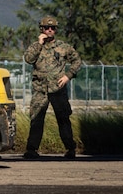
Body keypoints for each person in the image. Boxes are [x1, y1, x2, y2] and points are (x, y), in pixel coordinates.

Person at [22, 16, 82, 159]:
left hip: (58, 89)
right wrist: (39, 43)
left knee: (63, 119)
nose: (50, 30)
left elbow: (77, 61)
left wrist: (68, 76)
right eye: (47, 28)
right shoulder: (36, 46)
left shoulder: (63, 47)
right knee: (36, 119)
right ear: (41, 29)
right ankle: (32, 150)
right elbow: (28, 59)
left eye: (53, 28)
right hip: (40, 89)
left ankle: (70, 149)